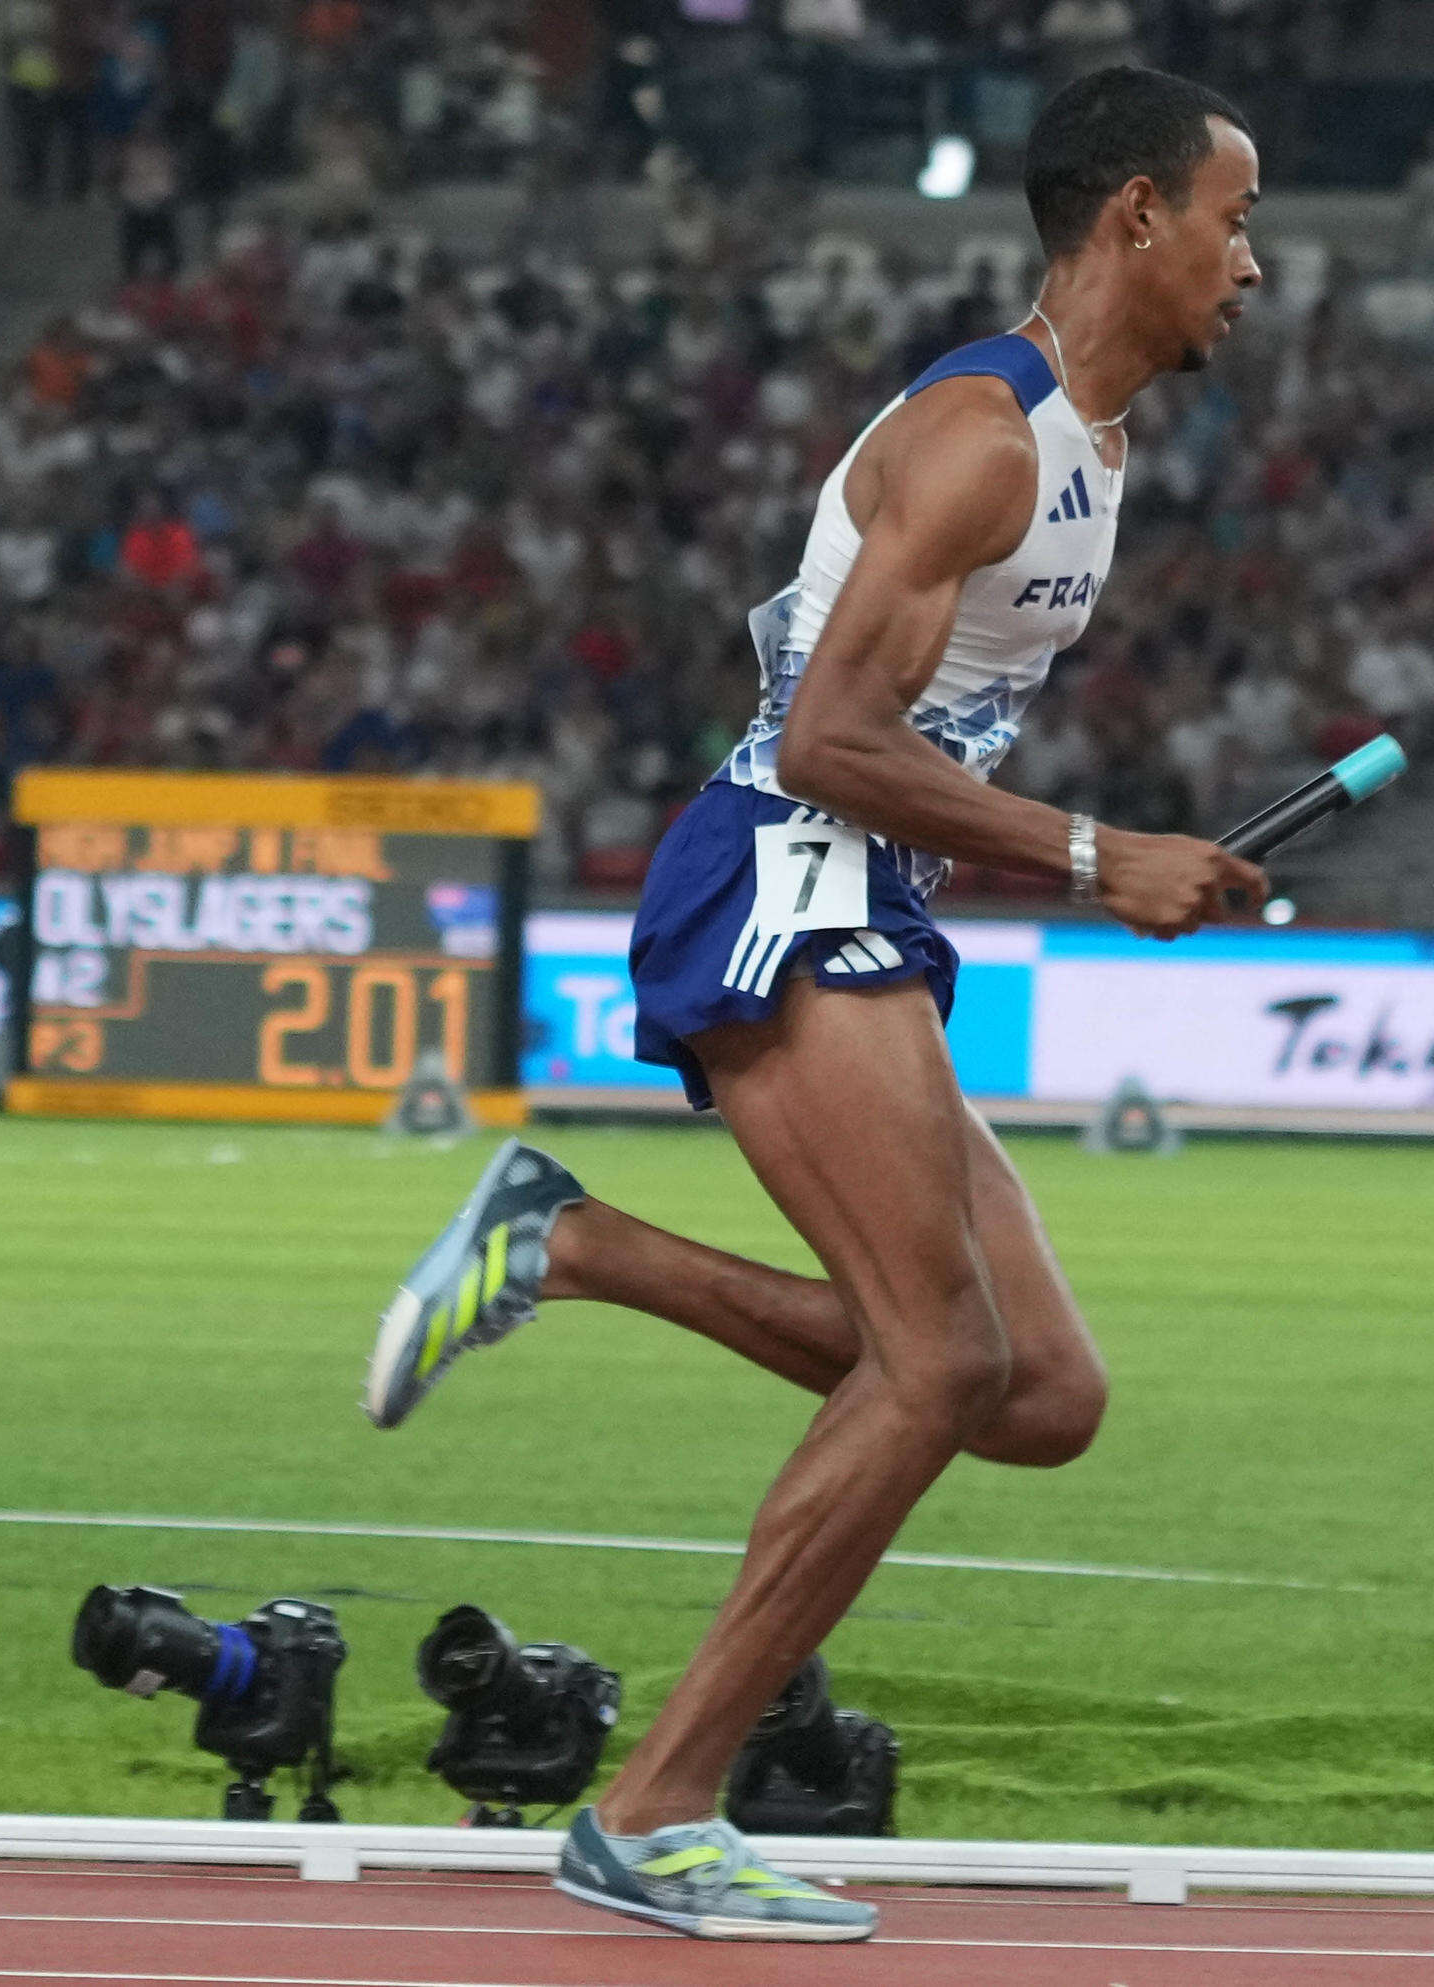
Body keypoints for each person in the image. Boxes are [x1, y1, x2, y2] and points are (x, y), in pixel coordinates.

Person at [360, 66, 1266, 1942]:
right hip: (785, 870)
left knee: (1041, 1395)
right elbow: (838, 739)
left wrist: (1128, 860)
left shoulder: (1095, 443)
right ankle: (658, 1807)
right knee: (936, 1364)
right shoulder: (985, 436)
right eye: (1236, 222)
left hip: (859, 891)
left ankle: (573, 1244)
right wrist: (1107, 860)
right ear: (1136, 222)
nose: (1256, 266)